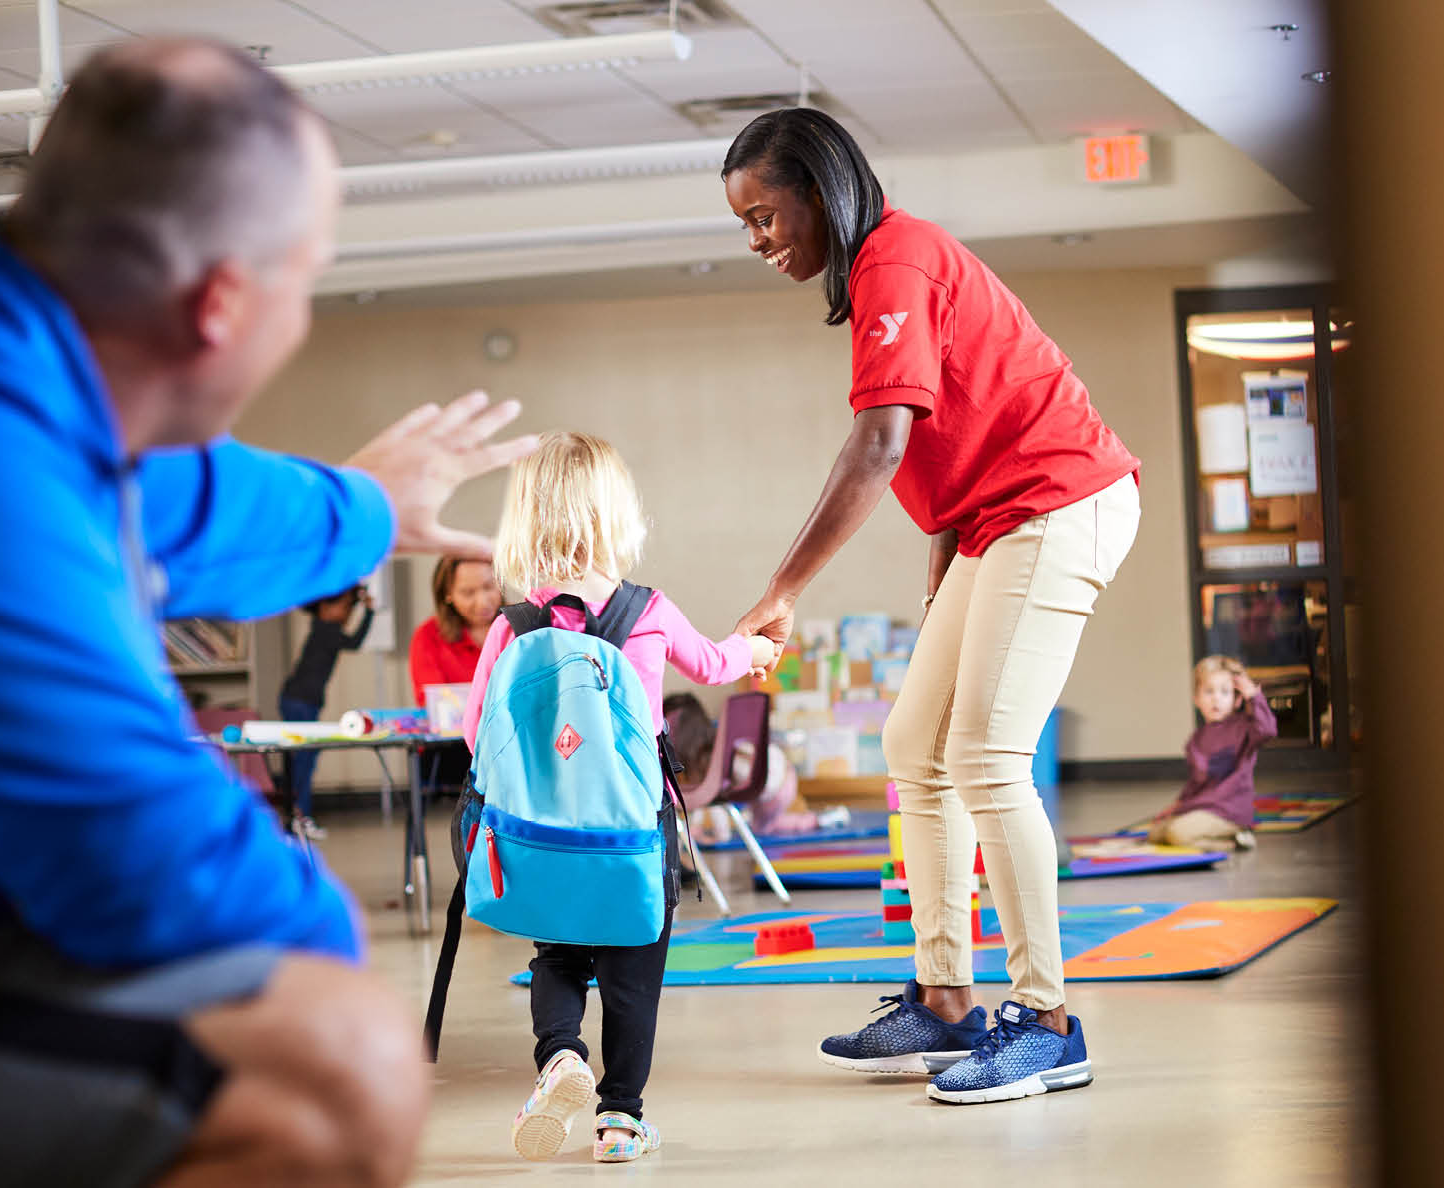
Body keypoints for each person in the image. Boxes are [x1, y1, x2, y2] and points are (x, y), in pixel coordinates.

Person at [0, 39, 537, 1188]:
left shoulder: (5, 353)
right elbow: (138, 857)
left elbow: (186, 502)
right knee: (332, 1067)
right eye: (305, 280)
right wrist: (325, 949)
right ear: (222, 302)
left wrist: (365, 511)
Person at [722, 108, 1142, 1106]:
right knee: (916, 747)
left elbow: (879, 445)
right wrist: (946, 567)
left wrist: (780, 594)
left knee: (988, 760)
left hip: (1059, 500)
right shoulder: (887, 268)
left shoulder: (894, 260)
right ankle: (947, 999)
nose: (756, 240)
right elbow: (954, 434)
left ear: (819, 192)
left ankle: (1047, 1023)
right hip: (997, 522)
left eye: (764, 215)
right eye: (741, 224)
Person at [460, 432, 775, 1162]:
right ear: (617, 517)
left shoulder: (512, 626)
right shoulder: (648, 611)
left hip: (543, 835)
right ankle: (620, 1121)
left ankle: (561, 1057)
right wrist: (756, 650)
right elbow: (717, 662)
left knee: (559, 957)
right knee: (634, 974)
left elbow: (475, 733)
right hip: (635, 832)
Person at [661, 692, 827, 846]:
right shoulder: (716, 745)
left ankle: (813, 820)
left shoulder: (705, 759)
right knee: (761, 825)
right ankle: (814, 819)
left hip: (778, 784)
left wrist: (720, 835)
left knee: (763, 828)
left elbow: (713, 797)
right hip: (780, 774)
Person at [1146, 656, 1276, 851]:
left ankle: (1234, 841)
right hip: (1203, 808)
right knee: (1156, 833)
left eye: (1225, 692)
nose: (1216, 698)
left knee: (1177, 834)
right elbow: (1196, 782)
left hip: (1229, 811)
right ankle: (1223, 839)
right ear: (1196, 699)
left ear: (1237, 699)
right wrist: (1178, 804)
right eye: (1209, 692)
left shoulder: (1244, 728)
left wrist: (1253, 695)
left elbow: (1267, 730)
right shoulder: (1196, 740)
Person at [277, 585, 373, 839]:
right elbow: (354, 642)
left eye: (348, 608)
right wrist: (367, 609)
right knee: (304, 761)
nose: (346, 613)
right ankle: (300, 817)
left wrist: (357, 601)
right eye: (342, 607)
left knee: (302, 760)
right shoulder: (326, 629)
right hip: (300, 701)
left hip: (299, 700)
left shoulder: (324, 628)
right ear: (323, 607)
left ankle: (297, 817)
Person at [410, 556, 501, 787]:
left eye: (489, 587)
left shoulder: (522, 628)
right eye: (468, 593)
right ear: (447, 595)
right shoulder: (429, 636)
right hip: (454, 750)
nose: (482, 601)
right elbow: (434, 703)